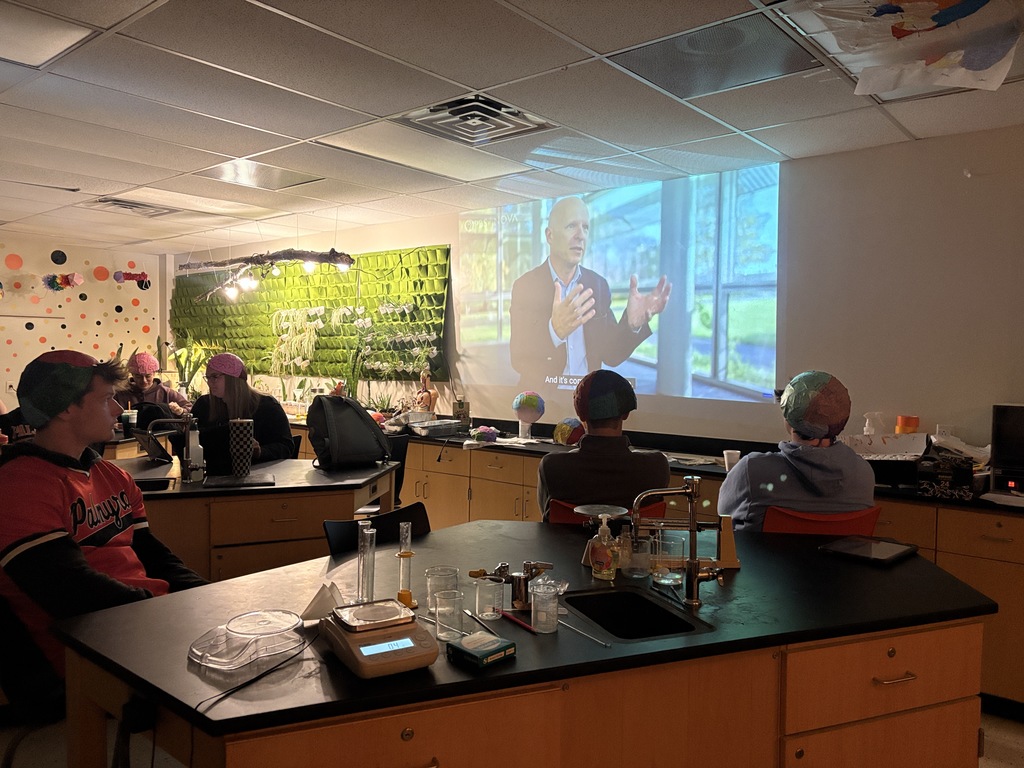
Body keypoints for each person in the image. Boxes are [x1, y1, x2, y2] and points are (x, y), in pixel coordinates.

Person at [0, 350, 206, 716]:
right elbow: (69, 590)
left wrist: (209, 600)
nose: (117, 409)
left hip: (142, 631)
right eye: (106, 398)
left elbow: (154, 555)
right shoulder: (18, 484)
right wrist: (170, 618)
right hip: (88, 656)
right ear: (65, 408)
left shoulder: (112, 476)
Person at [509, 196, 672, 388]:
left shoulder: (598, 285)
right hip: (542, 405)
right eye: (571, 226)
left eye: (585, 227)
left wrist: (632, 325)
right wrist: (554, 332)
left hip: (588, 406)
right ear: (550, 236)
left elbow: (611, 354)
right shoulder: (525, 286)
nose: (581, 235)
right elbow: (519, 358)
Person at [720, 370, 876, 532]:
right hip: (835, 559)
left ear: (787, 414)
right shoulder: (863, 473)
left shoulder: (751, 470)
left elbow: (723, 517)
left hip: (769, 557)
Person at [537, 369, 670, 520]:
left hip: (567, 544)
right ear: (626, 413)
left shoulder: (552, 466)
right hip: (632, 544)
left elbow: (547, 521)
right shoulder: (657, 467)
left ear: (580, 414)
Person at [191, 353, 295, 475]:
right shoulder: (203, 405)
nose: (209, 383)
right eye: (207, 377)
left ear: (233, 378)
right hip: (210, 476)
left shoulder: (266, 406)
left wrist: (260, 451)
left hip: (258, 477)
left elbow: (286, 446)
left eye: (214, 377)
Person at [114, 351, 192, 414]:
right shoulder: (121, 394)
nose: (144, 380)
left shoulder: (166, 393)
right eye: (138, 376)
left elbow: (189, 407)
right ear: (132, 375)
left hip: (161, 432)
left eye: (148, 376)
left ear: (154, 373)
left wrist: (181, 411)